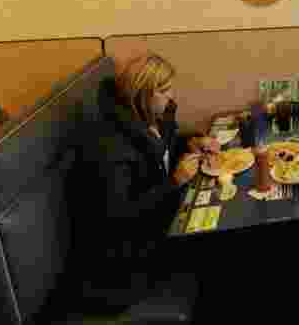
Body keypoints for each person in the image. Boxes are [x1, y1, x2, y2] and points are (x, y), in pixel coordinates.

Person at [69, 53, 220, 309]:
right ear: (142, 95)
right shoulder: (110, 147)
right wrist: (174, 182)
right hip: (127, 261)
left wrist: (192, 141)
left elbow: (161, 149)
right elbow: (119, 216)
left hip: (159, 224)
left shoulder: (151, 117)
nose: (171, 97)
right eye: (164, 91)